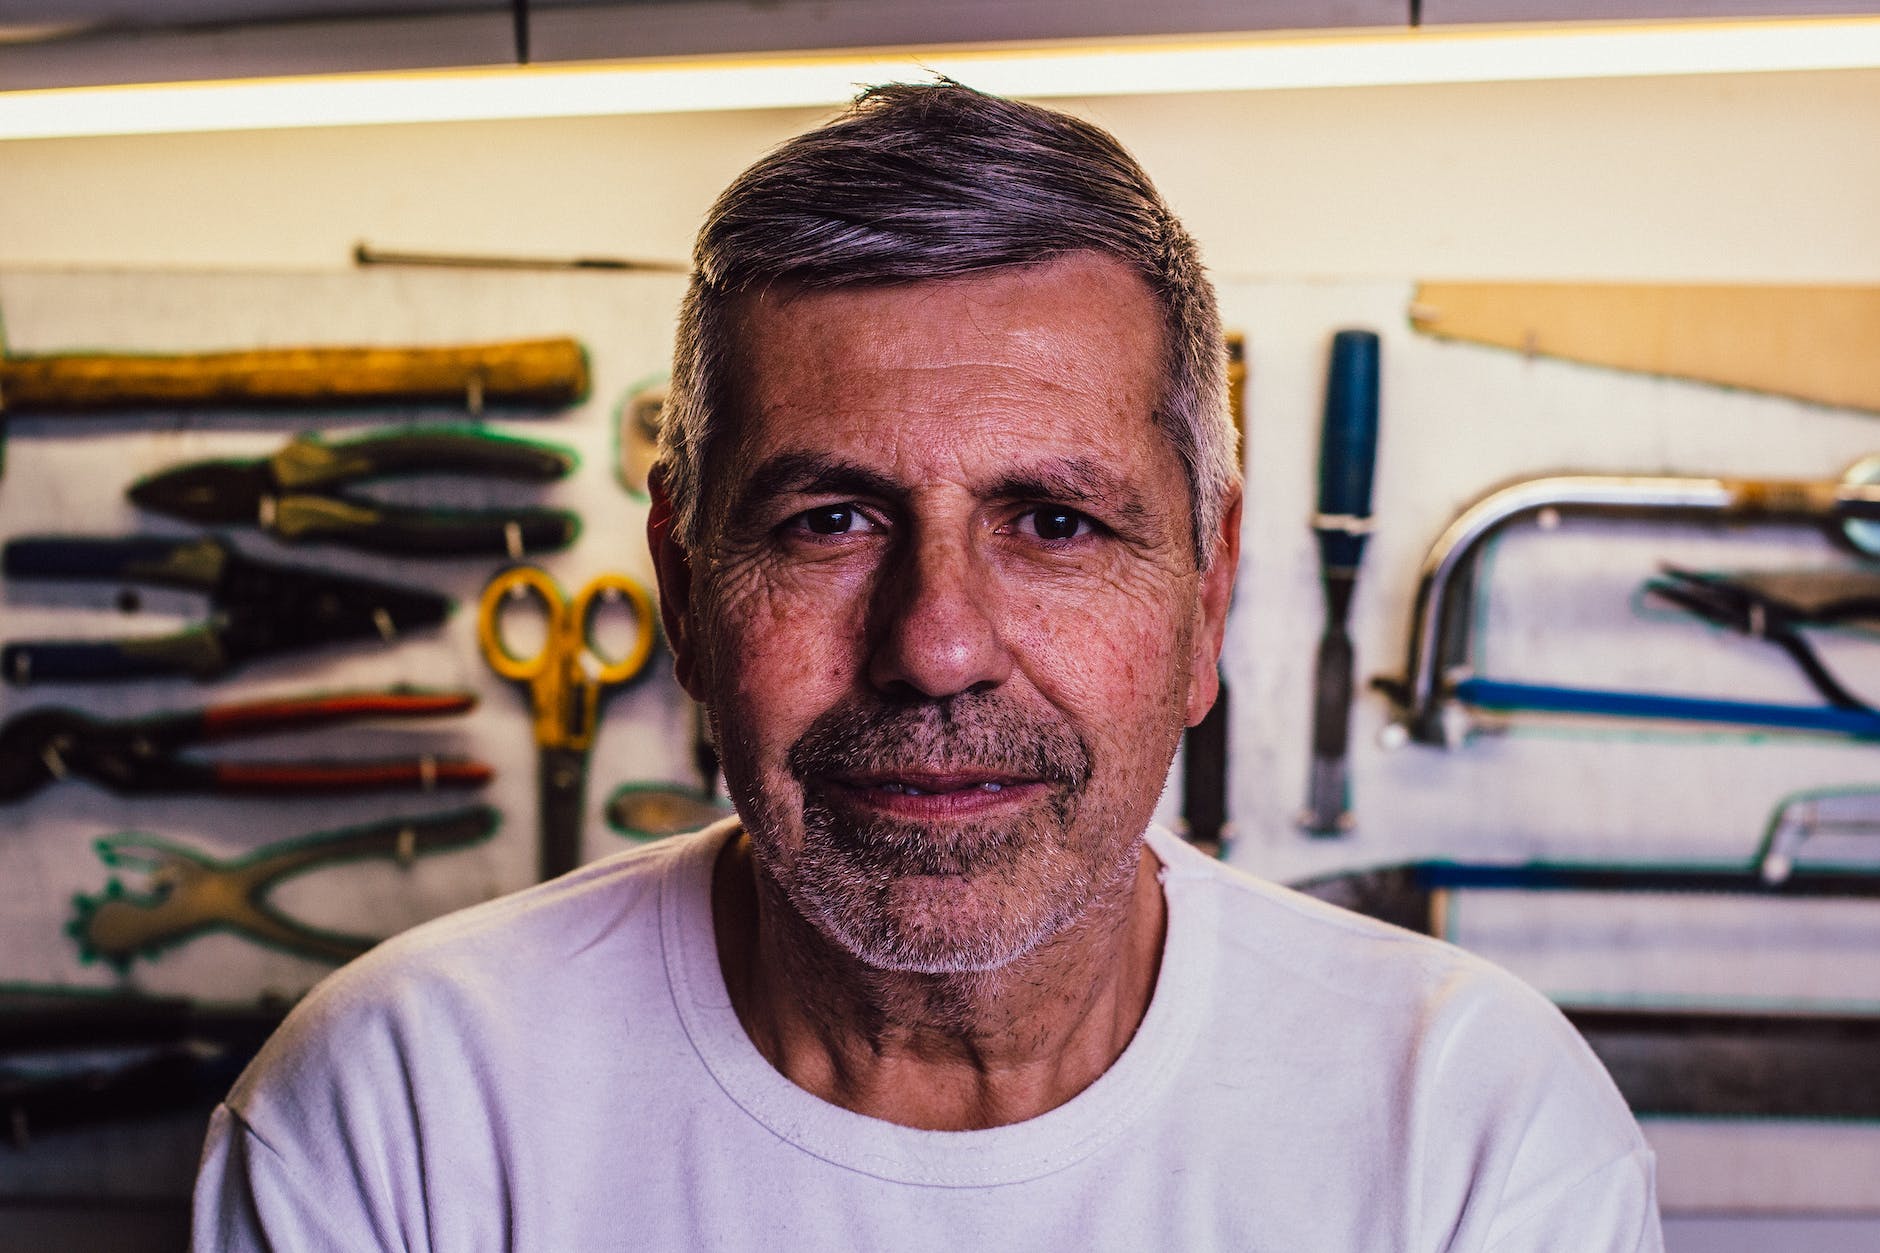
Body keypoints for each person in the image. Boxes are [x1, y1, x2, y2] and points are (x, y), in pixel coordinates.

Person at [193, 81, 1661, 1251]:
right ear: (686, 593)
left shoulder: (1474, 1135)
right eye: (830, 519)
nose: (937, 646)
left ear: (1207, 596)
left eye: (1055, 520)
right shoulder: (395, 1117)